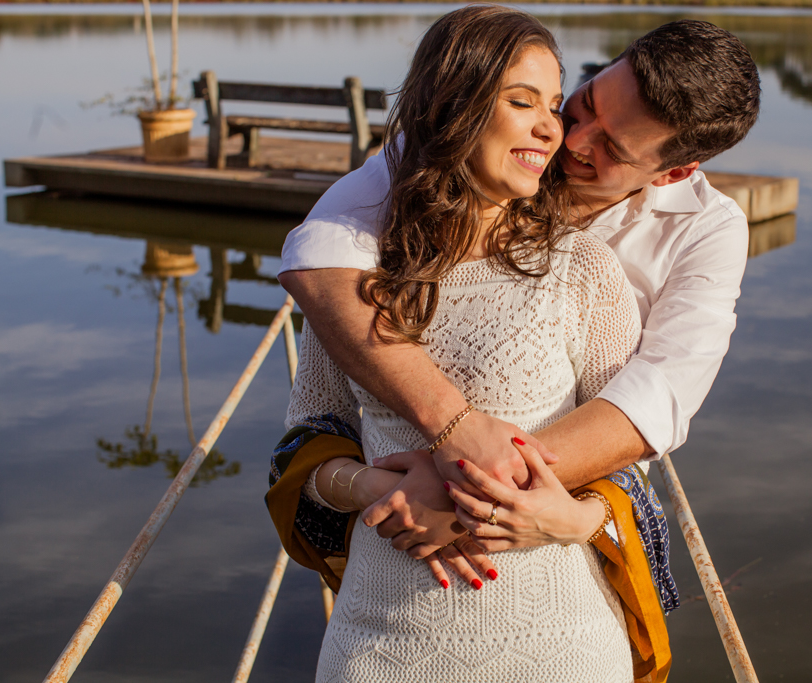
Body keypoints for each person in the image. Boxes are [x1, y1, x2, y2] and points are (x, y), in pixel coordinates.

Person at [271, 6, 663, 681]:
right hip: (379, 646)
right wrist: (371, 485)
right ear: (453, 104)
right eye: (521, 102)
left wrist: (561, 515)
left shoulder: (582, 270)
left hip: (559, 647)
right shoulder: (355, 272)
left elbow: (629, 471)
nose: (552, 128)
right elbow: (302, 446)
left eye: (553, 104)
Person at [277, 17, 761, 562]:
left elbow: (660, 395)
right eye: (587, 103)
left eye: (611, 147)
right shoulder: (461, 149)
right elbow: (319, 256)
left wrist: (471, 485)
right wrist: (453, 433)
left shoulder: (708, 230)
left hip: (559, 519)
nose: (571, 139)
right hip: (402, 520)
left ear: (673, 173)